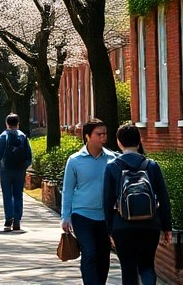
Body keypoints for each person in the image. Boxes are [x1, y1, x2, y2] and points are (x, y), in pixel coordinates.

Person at [103, 123, 173, 285]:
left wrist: (109, 229)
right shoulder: (151, 166)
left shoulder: (112, 167)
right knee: (147, 266)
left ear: (119, 142)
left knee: (128, 268)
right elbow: (163, 198)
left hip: (122, 225)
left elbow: (107, 201)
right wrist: (166, 226)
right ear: (139, 141)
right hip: (149, 225)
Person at [61, 118, 117, 285]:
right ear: (87, 136)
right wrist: (66, 216)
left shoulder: (112, 159)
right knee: (89, 252)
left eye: (105, 134)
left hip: (105, 216)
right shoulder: (75, 160)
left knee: (103, 254)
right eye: (99, 134)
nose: (103, 137)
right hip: (82, 215)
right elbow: (68, 189)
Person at [0, 112, 33, 231]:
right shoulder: (23, 136)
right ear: (18, 124)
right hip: (19, 170)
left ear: (6, 124)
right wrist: (24, 166)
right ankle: (17, 220)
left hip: (6, 170)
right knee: (18, 194)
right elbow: (29, 156)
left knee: (7, 195)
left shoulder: (3, 136)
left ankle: (9, 219)